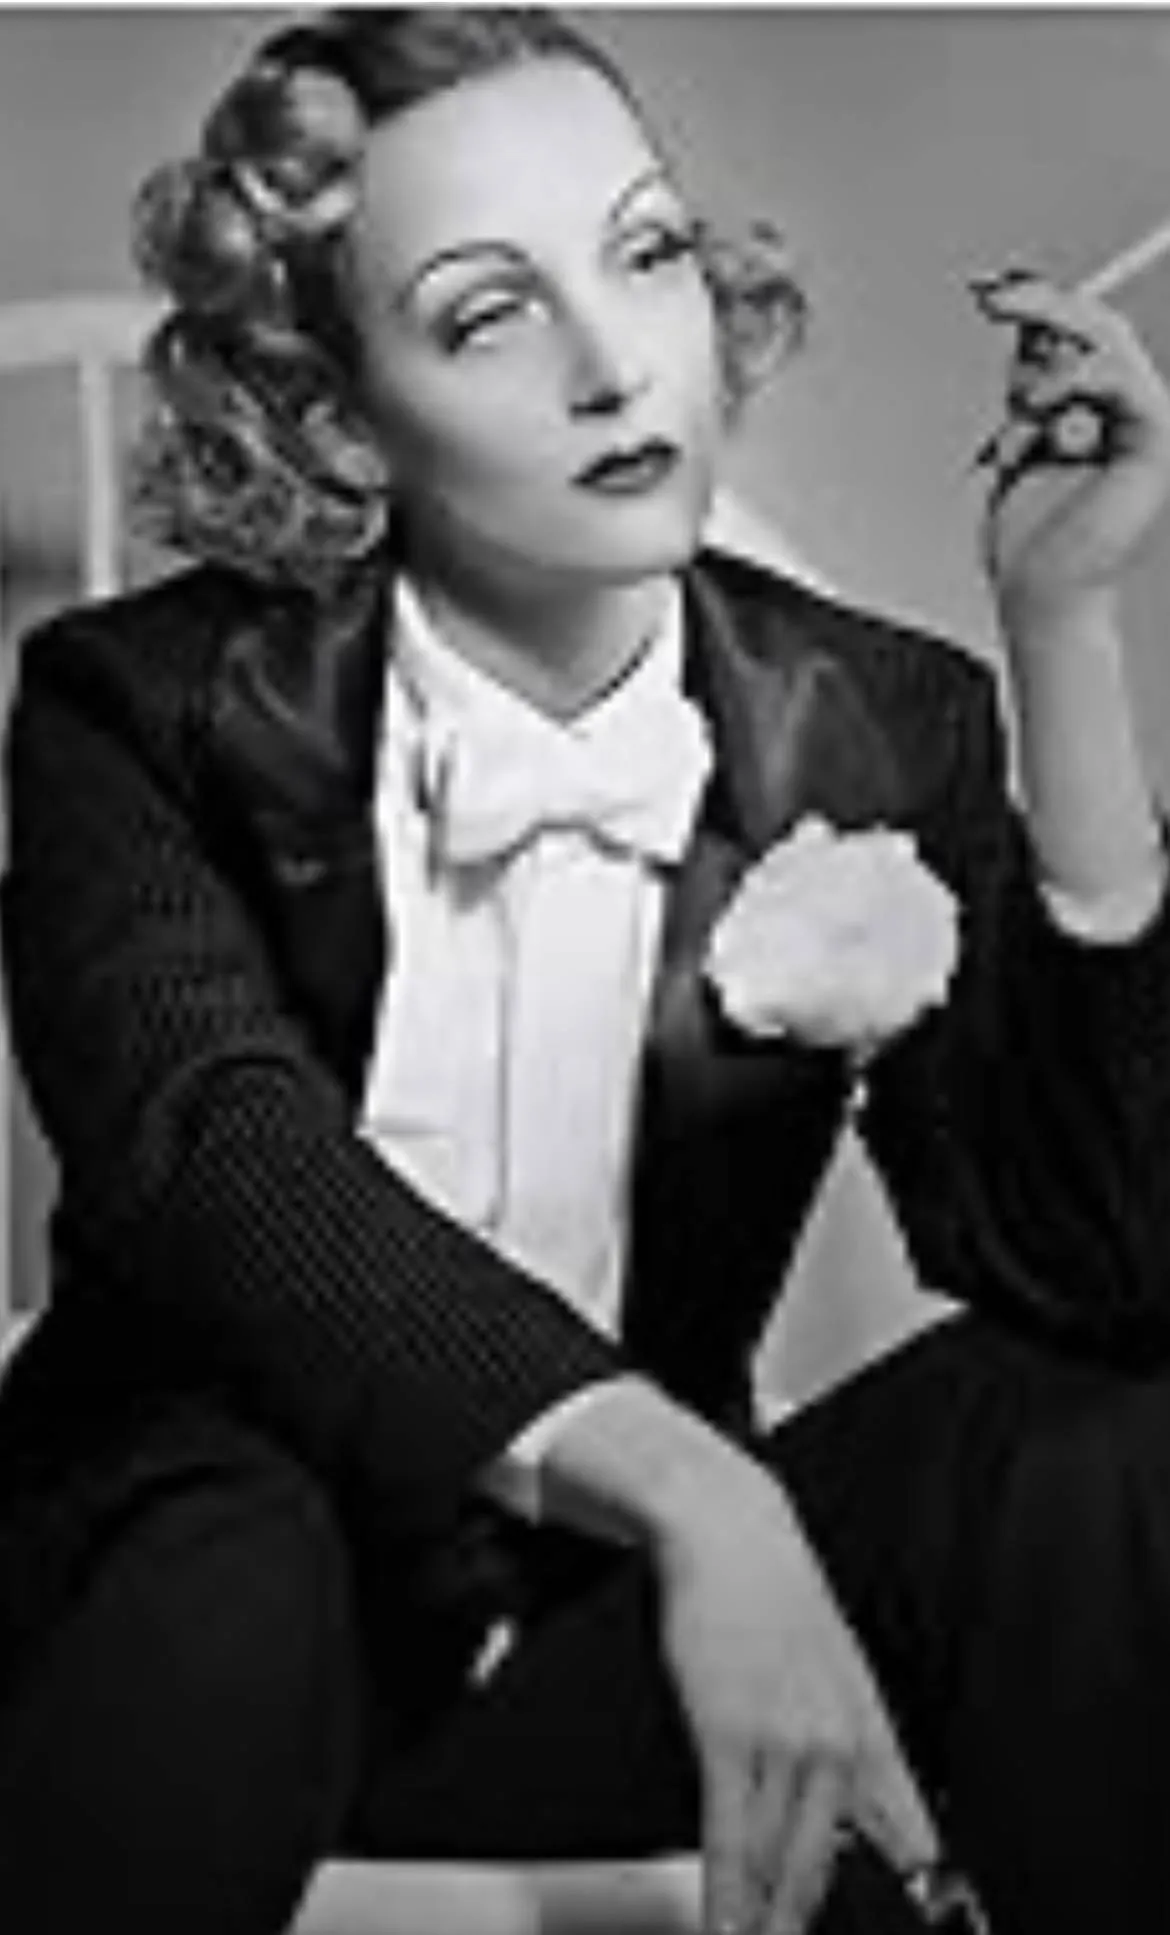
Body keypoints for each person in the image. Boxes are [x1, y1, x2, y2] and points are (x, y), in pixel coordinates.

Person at [2, 9, 1170, 1933]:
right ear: (340, 412)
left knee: (1107, 1440)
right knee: (235, 1553)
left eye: (641, 255)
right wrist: (696, 1488)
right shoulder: (135, 707)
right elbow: (221, 1158)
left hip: (590, 1656)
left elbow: (1095, 1263)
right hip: (189, 1629)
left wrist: (1062, 629)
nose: (616, 362)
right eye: (486, 313)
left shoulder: (874, 717)